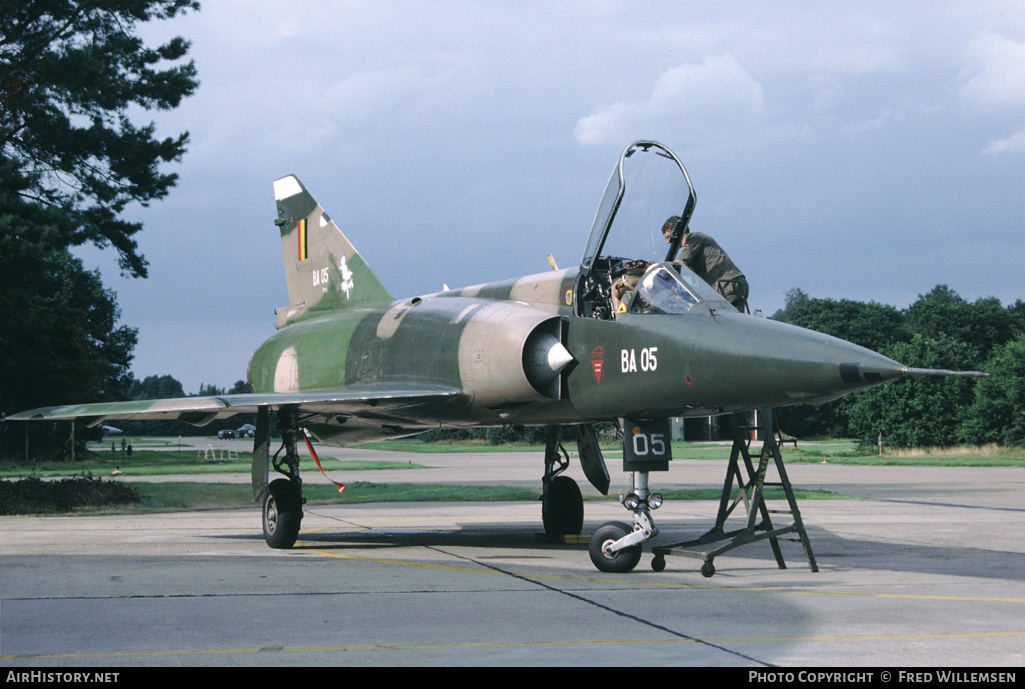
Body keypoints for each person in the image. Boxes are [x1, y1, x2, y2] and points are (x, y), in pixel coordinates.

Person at [662, 217, 749, 312]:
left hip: (726, 285)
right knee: (733, 323)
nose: (667, 242)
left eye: (668, 237)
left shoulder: (694, 238)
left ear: (676, 232)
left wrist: (661, 272)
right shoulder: (697, 242)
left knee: (704, 315)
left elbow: (679, 264)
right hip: (736, 282)